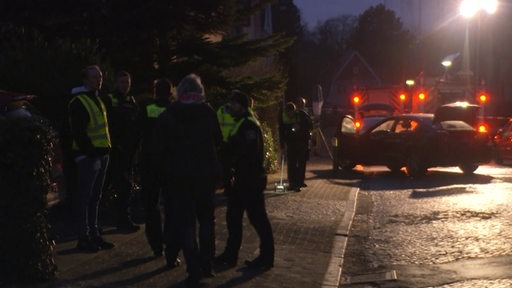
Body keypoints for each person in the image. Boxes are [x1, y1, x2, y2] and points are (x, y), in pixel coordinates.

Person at [153, 73, 222, 287]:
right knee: (207, 220)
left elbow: (159, 149)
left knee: (186, 223)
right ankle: (207, 263)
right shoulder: (208, 112)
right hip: (204, 175)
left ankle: (192, 266)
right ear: (200, 91)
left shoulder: (168, 114)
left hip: (178, 177)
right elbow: (218, 141)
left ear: (179, 92)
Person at [216, 90, 275, 270]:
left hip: (250, 181)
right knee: (233, 218)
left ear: (241, 106)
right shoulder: (240, 123)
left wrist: (228, 151)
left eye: (233, 104)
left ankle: (266, 258)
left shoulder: (248, 126)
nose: (230, 107)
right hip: (241, 181)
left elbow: (246, 152)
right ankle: (230, 254)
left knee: (258, 220)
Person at [68, 65, 114, 252]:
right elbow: (78, 132)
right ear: (85, 80)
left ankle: (94, 234)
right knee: (86, 198)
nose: (99, 80)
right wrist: (91, 152)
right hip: (89, 156)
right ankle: (84, 237)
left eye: (100, 76)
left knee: (95, 197)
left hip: (101, 154)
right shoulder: (79, 101)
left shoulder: (97, 99)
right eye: (94, 77)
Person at [138, 78, 173, 256]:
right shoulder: (176, 110)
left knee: (152, 207)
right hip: (171, 164)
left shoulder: (146, 108)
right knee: (171, 205)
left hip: (150, 162)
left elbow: (138, 136)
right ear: (170, 92)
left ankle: (156, 245)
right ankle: (170, 244)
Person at [103, 71, 140, 232]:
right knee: (106, 186)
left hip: (128, 152)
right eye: (122, 82)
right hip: (113, 151)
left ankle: (123, 220)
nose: (125, 85)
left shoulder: (131, 101)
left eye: (127, 82)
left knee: (125, 188)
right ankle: (101, 221)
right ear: (116, 83)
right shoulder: (110, 100)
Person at [278, 100, 312, 192]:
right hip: (291, 142)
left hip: (302, 142)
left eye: (291, 113)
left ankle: (299, 182)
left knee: (301, 163)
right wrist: (282, 144)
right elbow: (281, 130)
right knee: (291, 163)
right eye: (287, 113)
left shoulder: (301, 115)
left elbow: (310, 125)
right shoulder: (283, 117)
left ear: (294, 111)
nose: (289, 115)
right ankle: (292, 183)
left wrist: (300, 127)